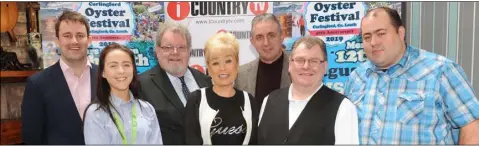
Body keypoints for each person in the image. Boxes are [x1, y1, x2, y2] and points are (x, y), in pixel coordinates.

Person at [344, 7, 479, 144]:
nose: (373, 42)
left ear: (400, 33)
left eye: (381, 34)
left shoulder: (441, 70)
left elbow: (472, 125)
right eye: (367, 37)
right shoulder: (357, 78)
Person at [258, 36, 359, 144]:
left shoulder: (343, 108)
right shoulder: (269, 101)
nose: (306, 66)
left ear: (325, 67)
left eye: (314, 61)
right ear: (290, 64)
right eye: (300, 60)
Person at [21, 10, 97, 144]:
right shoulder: (37, 84)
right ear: (57, 41)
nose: (74, 41)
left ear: (89, 40)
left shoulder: (105, 77)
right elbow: (31, 137)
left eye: (80, 35)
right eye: (67, 35)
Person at [138, 22, 212, 144]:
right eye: (168, 47)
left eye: (181, 47)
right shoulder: (142, 85)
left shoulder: (205, 81)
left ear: (189, 51)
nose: (175, 52)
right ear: (157, 51)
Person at [184, 32, 259, 145]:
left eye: (228, 61)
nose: (222, 68)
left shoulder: (249, 101)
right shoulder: (196, 100)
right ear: (208, 67)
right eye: (215, 63)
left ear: (237, 63)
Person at [83, 43, 162, 144]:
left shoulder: (147, 109)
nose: (121, 71)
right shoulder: (95, 113)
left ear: (133, 69)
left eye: (126, 65)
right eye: (113, 66)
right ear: (103, 72)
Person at [235, 13, 291, 106]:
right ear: (252, 42)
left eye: (271, 35)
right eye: (259, 37)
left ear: (282, 36)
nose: (266, 43)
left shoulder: (300, 68)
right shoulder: (241, 75)